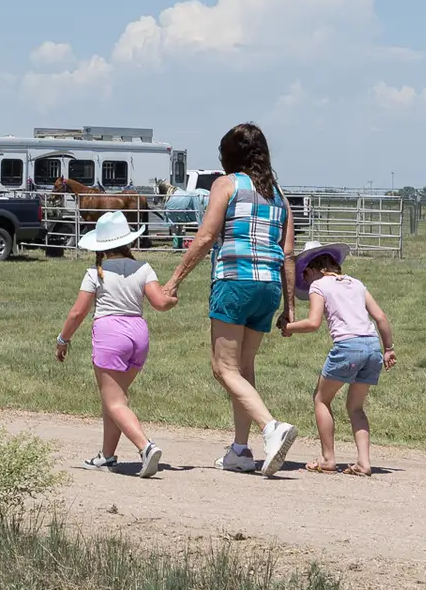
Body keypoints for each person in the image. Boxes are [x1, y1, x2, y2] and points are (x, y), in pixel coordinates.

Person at [161, 122, 298, 476]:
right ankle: (239, 450)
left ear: (230, 156)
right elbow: (288, 255)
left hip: (235, 281)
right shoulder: (279, 196)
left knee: (223, 368)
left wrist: (173, 281)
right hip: (268, 286)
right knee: (244, 369)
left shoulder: (226, 184)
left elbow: (207, 236)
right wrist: (290, 308)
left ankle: (271, 428)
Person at [55, 208, 178, 476]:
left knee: (114, 402)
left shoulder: (95, 272)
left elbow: (78, 313)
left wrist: (63, 339)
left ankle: (146, 447)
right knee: (114, 398)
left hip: (110, 334)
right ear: (128, 241)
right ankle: (107, 456)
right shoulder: (143, 268)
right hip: (138, 335)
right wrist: (172, 299)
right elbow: (160, 303)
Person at [282, 240, 396, 476]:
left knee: (321, 399)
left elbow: (313, 323)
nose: (305, 280)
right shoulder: (356, 283)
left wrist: (289, 327)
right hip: (372, 347)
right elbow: (381, 317)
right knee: (355, 407)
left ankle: (327, 459)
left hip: (347, 347)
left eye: (304, 274)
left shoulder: (318, 285)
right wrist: (388, 348)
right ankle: (364, 463)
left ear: (311, 269)